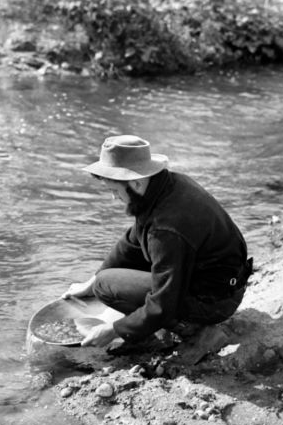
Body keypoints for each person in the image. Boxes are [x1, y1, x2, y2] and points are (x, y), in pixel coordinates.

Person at [63, 134, 252, 349]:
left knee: (105, 286)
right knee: (100, 280)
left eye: (114, 191)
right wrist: (90, 281)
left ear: (135, 182)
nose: (113, 198)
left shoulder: (166, 228)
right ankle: (167, 323)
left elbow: (164, 302)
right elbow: (133, 241)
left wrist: (116, 329)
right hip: (221, 282)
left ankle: (192, 330)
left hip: (214, 302)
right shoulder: (166, 186)